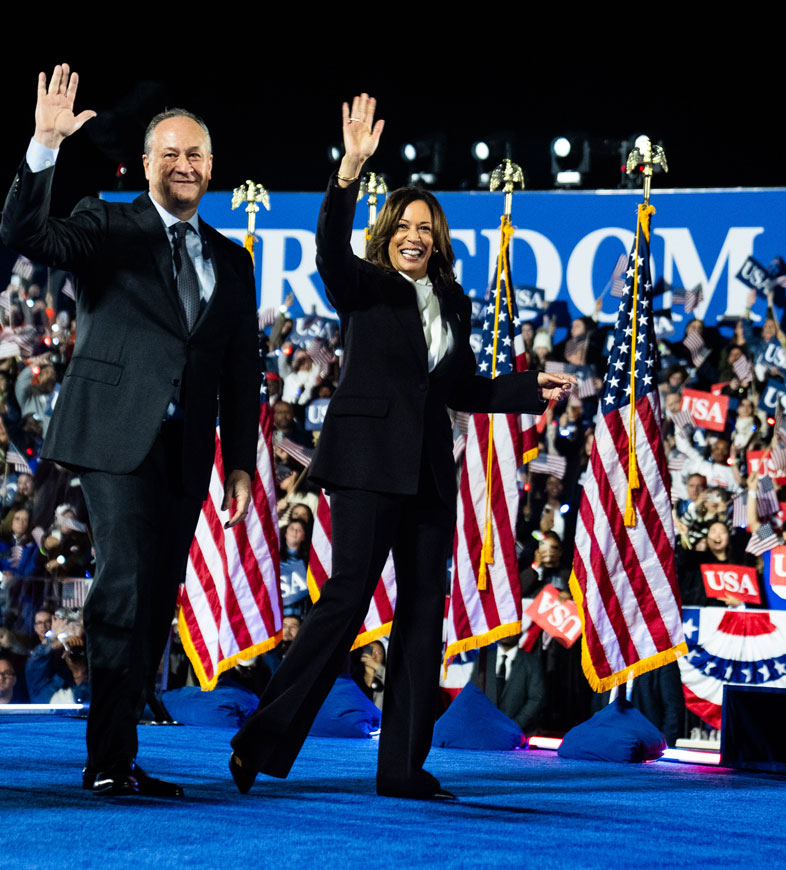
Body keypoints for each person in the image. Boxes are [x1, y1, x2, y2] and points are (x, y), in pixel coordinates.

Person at [229, 93, 574, 800]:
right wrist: (349, 170)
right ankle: (260, 741)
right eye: (407, 224)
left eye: (429, 226)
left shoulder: (451, 303)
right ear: (387, 231)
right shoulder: (365, 285)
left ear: (440, 240)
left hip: (425, 473)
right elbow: (330, 244)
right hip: (363, 464)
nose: (417, 234)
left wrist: (526, 387)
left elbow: (462, 388)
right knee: (347, 600)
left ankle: (403, 768)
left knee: (424, 615)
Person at [0, 64, 260, 797]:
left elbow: (243, 369)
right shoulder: (107, 223)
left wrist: (238, 459)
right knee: (123, 581)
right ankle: (107, 760)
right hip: (114, 436)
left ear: (211, 167)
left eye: (196, 155)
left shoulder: (234, 261)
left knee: (157, 595)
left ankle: (121, 752)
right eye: (170, 153)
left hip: (188, 451)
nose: (184, 165)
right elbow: (28, 233)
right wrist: (44, 147)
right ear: (146, 164)